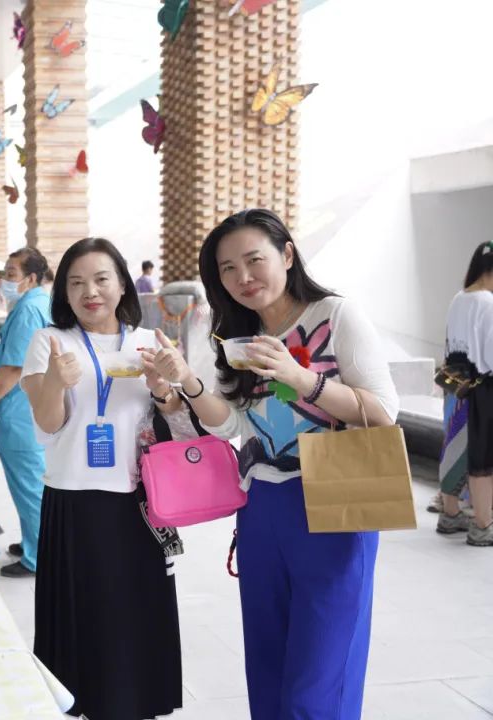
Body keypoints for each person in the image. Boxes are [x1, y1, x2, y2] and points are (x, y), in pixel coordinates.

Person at [144, 208, 398, 720]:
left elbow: (383, 411)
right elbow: (234, 426)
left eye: (254, 260)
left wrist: (302, 378)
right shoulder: (233, 336)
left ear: (286, 254)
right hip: (262, 503)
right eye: (227, 269)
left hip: (337, 495)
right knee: (268, 665)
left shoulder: (335, 315)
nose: (243, 277)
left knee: (319, 677)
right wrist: (188, 386)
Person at [22, 238, 185, 719]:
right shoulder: (50, 341)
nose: (90, 291)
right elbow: (48, 424)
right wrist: (55, 381)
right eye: (76, 283)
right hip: (73, 499)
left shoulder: (147, 342)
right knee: (85, 622)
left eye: (100, 279)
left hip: (138, 501)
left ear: (121, 284)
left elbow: (175, 422)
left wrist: (164, 392)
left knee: (133, 620)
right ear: (64, 293)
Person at [0, 248, 52, 578]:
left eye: (10, 273)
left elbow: (13, 368)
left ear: (31, 278)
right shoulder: (34, 303)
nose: (5, 280)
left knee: (31, 489)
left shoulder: (28, 310)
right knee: (31, 486)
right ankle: (34, 542)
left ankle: (40, 558)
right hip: (27, 411)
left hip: (20, 414)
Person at [436, 240, 493, 545]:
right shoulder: (488, 302)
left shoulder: (460, 297)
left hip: (455, 385)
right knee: (483, 456)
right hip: (483, 388)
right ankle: (483, 524)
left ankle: (450, 512)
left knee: (455, 446)